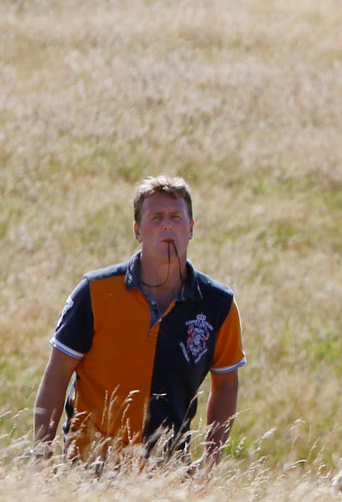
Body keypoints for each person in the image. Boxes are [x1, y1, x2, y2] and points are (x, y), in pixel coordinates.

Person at [31, 175, 245, 465]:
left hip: (167, 473)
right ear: (137, 230)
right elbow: (57, 373)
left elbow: (227, 385)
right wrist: (41, 455)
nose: (167, 225)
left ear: (191, 229)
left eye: (176, 217)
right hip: (88, 466)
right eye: (156, 217)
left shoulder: (217, 304)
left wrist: (210, 460)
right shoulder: (96, 291)